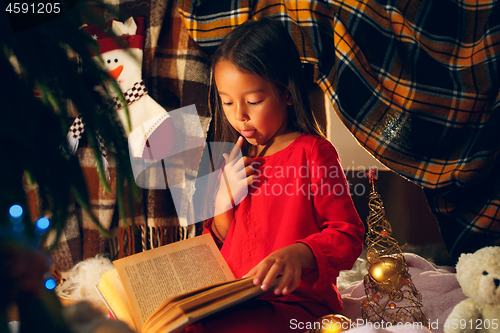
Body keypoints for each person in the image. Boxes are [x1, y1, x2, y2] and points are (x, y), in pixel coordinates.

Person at [186, 16, 364, 333]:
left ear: (288, 93)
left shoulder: (312, 152)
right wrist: (222, 203)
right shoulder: (236, 160)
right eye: (227, 102)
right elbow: (224, 243)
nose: (239, 115)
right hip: (233, 297)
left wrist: (301, 253)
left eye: (254, 101)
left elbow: (348, 235)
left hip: (294, 304)